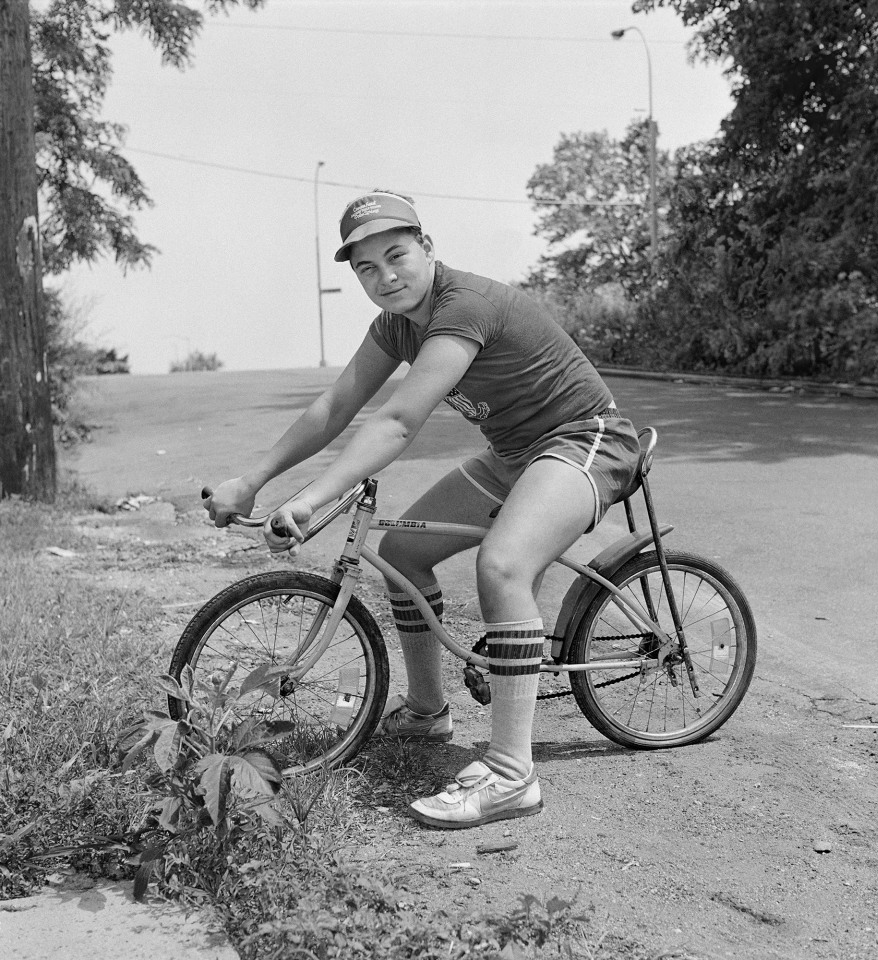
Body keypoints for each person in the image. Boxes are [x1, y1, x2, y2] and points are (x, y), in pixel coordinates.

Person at [204, 191, 640, 829]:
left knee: (503, 567)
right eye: (366, 269)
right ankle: (429, 711)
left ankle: (513, 775)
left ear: (427, 248)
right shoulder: (393, 326)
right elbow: (336, 405)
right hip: (516, 452)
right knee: (404, 553)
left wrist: (312, 497)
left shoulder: (464, 306)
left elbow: (401, 418)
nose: (385, 276)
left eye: (396, 255)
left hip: (586, 440)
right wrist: (254, 479)